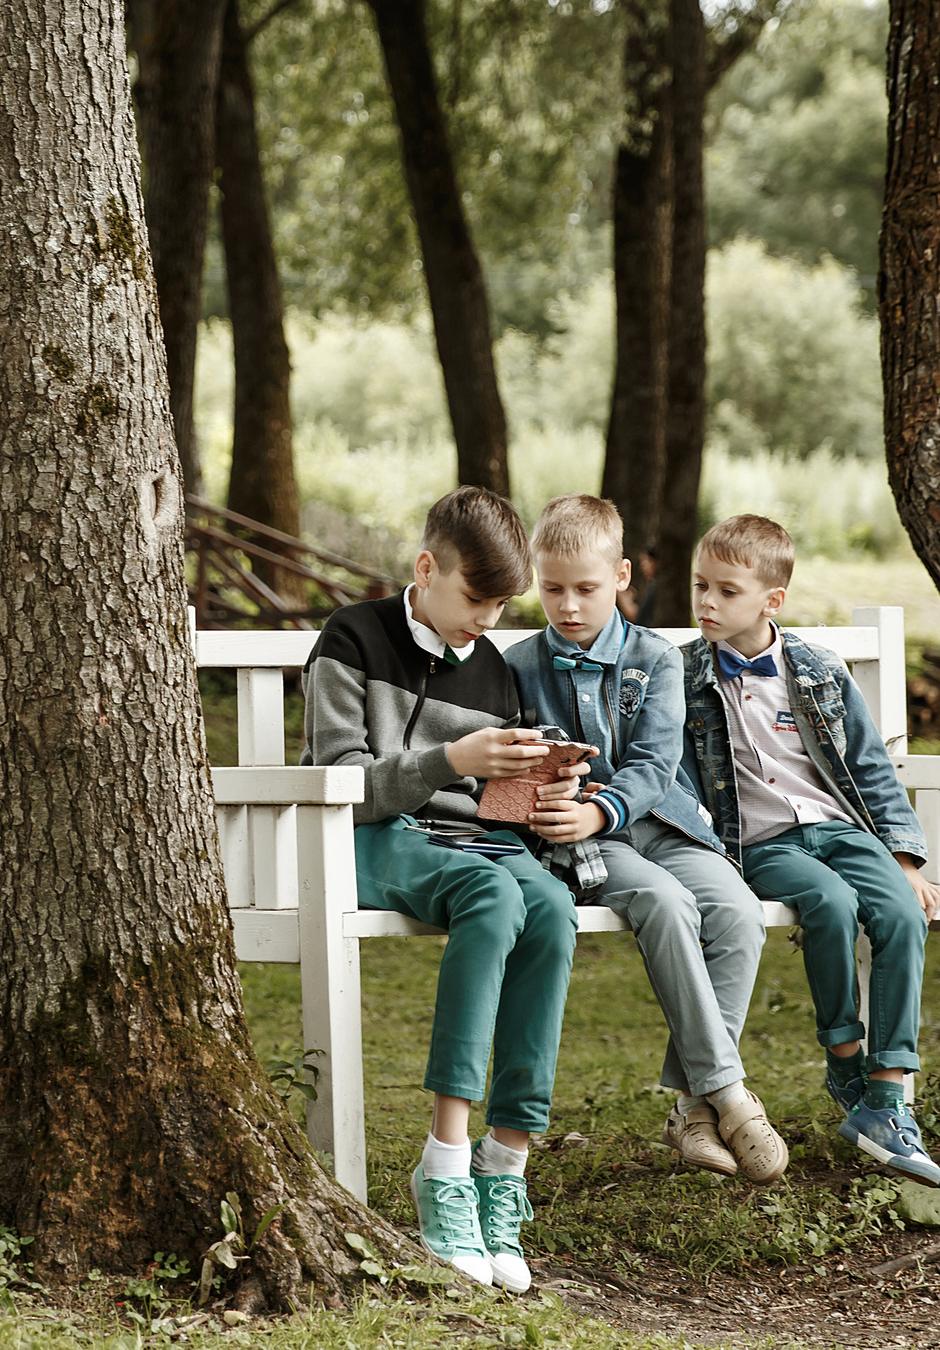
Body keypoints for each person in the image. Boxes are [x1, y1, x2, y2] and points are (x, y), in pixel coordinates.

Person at [301, 485, 580, 1293]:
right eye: (475, 598)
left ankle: (505, 1162)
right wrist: (450, 760)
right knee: (495, 897)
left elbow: (495, 804)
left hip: (475, 841)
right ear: (427, 569)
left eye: (500, 605)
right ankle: (445, 1161)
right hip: (370, 837)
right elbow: (340, 783)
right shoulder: (351, 637)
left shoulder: (491, 667)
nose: (486, 620)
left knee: (551, 907)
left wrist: (547, 787)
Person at [501, 495, 786, 1183]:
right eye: (552, 589)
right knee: (664, 902)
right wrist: (553, 804)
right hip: (590, 846)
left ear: (622, 575)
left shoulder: (655, 658)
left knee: (738, 911)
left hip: (667, 825)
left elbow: (657, 765)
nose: (569, 606)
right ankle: (729, 1095)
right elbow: (511, 772)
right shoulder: (516, 664)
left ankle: (692, 1108)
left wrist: (602, 809)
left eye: (586, 588)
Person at [678, 513, 940, 1184]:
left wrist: (905, 860)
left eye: (727, 591)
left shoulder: (819, 669)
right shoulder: (683, 675)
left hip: (840, 828)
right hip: (762, 842)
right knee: (829, 902)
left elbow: (871, 767)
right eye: (701, 585)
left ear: (772, 600)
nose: (707, 602)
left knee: (901, 911)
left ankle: (885, 1097)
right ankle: (843, 1057)